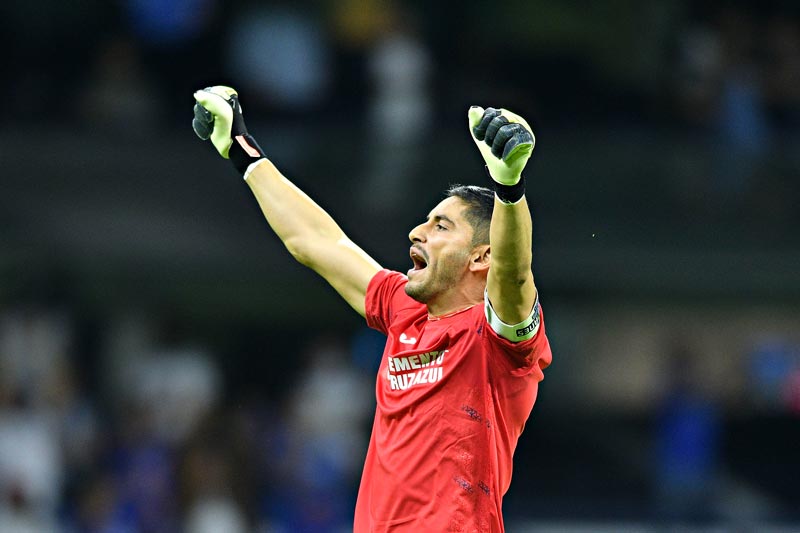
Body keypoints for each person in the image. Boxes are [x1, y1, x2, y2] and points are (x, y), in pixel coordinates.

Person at [192, 86, 553, 532]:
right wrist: (241, 150)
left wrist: (509, 191)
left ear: (481, 257)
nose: (416, 233)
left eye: (441, 225)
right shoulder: (405, 311)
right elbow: (318, 243)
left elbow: (514, 276)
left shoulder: (498, 339)